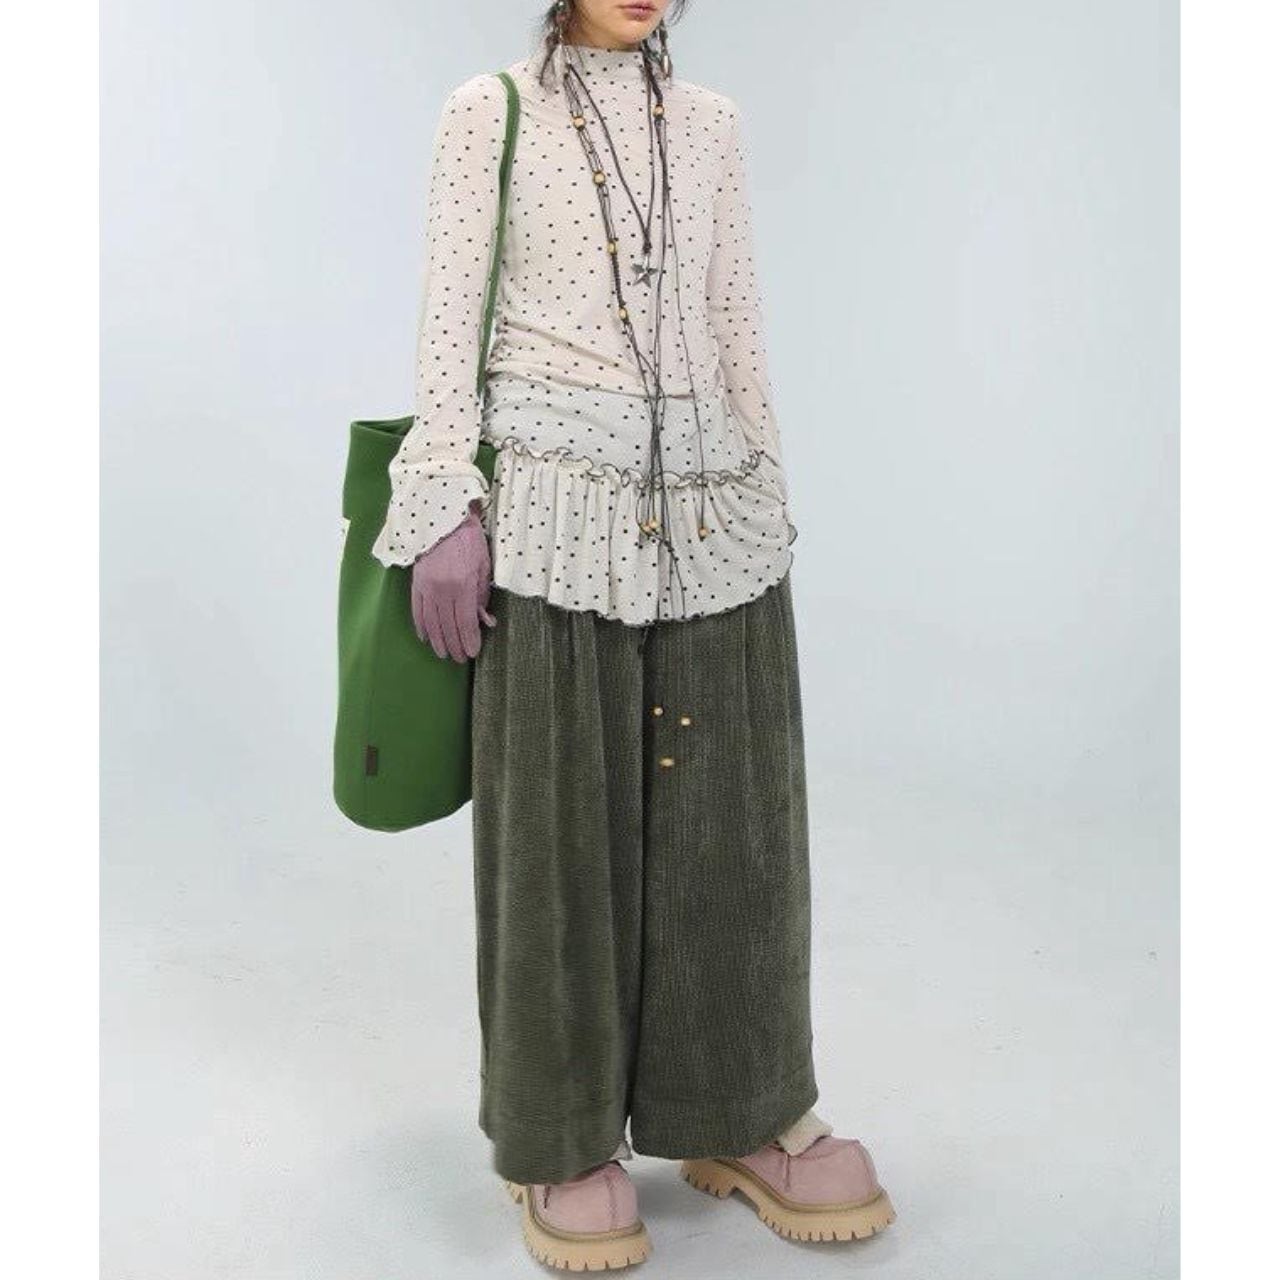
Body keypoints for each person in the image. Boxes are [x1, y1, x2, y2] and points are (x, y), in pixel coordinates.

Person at [372, 0, 895, 1268]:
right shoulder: (490, 111)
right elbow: (448, 319)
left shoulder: (710, 123)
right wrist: (443, 498)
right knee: (557, 837)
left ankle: (743, 1108)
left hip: (710, 511)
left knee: (738, 828)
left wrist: (762, 483)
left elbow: (732, 315)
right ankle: (558, 1135)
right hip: (553, 511)